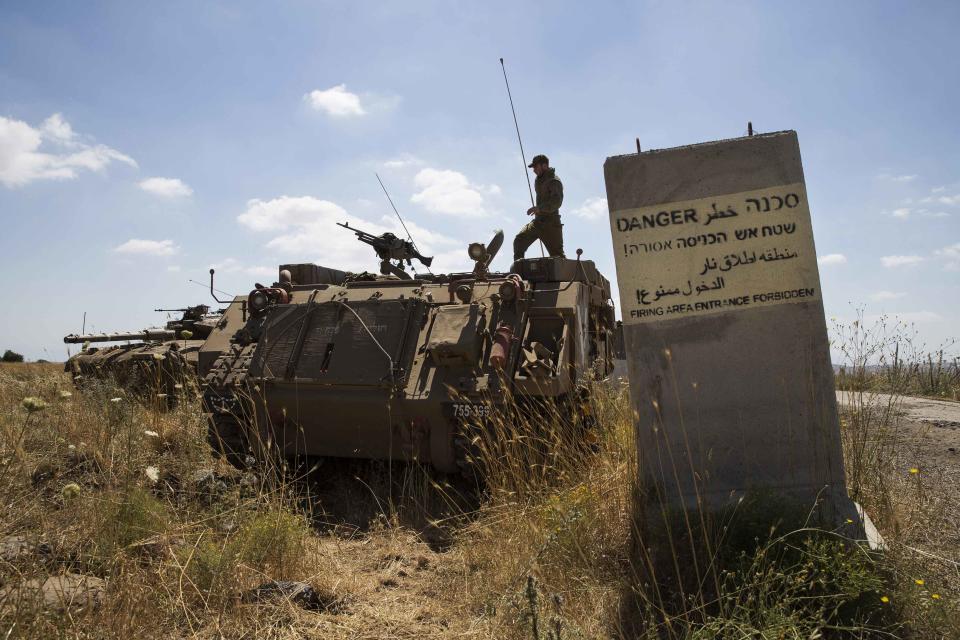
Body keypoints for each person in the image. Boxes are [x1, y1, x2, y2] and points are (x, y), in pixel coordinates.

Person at [513, 154, 564, 260]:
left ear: (544, 166)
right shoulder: (539, 179)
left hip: (551, 224)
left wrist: (539, 208)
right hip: (538, 222)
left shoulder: (554, 181)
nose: (534, 170)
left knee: (558, 257)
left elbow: (556, 202)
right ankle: (519, 272)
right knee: (519, 240)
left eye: (536, 167)